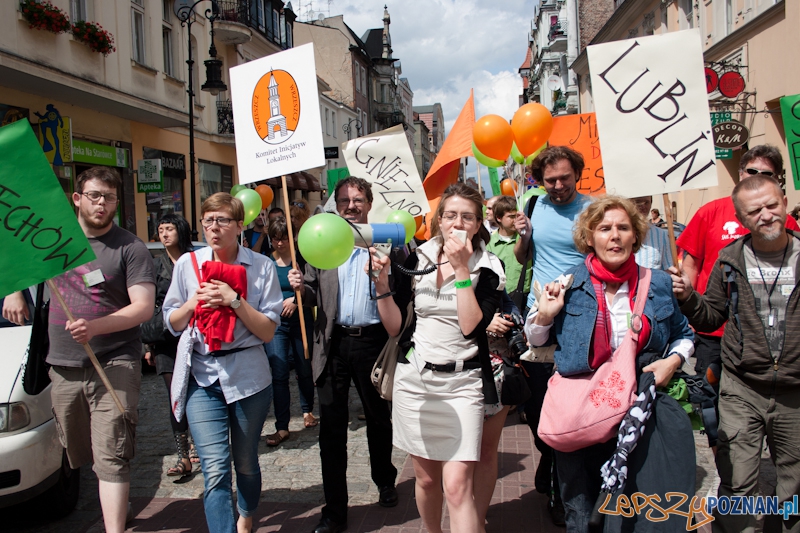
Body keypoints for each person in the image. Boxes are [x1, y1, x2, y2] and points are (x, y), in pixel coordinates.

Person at [2, 167, 156, 533]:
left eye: (109, 197)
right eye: (94, 195)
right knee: (76, 453)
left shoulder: (130, 247)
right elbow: (15, 254)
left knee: (111, 453)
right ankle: (114, 494)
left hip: (114, 361)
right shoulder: (50, 239)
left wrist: (96, 327)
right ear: (77, 198)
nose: (102, 204)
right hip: (63, 365)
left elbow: (143, 308)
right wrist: (13, 289)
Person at [527, 196, 694, 531]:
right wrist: (544, 315)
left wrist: (672, 361)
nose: (614, 236)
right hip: (581, 413)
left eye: (623, 227)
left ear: (636, 236)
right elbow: (537, 339)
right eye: (604, 228)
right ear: (589, 238)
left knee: (633, 508)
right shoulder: (568, 284)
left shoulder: (659, 283)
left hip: (638, 415)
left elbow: (684, 334)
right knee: (580, 511)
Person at [369, 183, 503, 533]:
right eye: (451, 215)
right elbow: (396, 327)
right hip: (416, 382)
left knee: (457, 486)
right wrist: (382, 286)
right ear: (439, 219)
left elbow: (472, 326)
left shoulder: (488, 266)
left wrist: (461, 271)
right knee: (427, 481)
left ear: (478, 224)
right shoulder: (419, 258)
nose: (458, 222)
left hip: (462, 385)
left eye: (468, 216)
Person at [670, 175, 800, 533]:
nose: (766, 215)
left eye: (772, 205)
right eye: (755, 211)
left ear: (785, 204)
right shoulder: (730, 260)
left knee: (794, 485)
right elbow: (712, 315)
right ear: (742, 219)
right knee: (738, 479)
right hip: (742, 388)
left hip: (795, 390)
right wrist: (687, 298)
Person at [163, 192, 284, 533]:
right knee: (215, 467)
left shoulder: (261, 267)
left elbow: (267, 331)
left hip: (248, 376)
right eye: (208, 220)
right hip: (202, 377)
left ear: (239, 225)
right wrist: (192, 303)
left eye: (222, 220)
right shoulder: (188, 265)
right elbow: (170, 321)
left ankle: (246, 515)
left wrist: (235, 301)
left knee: (245, 460)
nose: (214, 228)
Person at [287, 177, 398, 533]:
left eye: (359, 199)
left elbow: (403, 289)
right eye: (345, 200)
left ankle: (385, 479)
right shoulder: (322, 240)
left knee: (378, 419)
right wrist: (300, 289)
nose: (352, 205)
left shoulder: (386, 240)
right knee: (331, 431)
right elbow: (314, 295)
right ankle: (335, 511)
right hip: (332, 344)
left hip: (373, 342)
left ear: (369, 204)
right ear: (335, 205)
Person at [675, 145, 800, 396]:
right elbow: (691, 263)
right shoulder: (710, 211)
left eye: (767, 174)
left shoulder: (782, 219)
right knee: (714, 406)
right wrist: (688, 300)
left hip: (768, 338)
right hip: (715, 330)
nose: (758, 176)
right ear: (741, 173)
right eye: (752, 170)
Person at [512, 145, 593, 524]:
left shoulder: (593, 208)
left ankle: (563, 489)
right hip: (540, 313)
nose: (558, 185)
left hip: (581, 313)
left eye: (565, 178)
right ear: (539, 181)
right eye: (550, 180)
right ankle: (549, 458)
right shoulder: (534, 206)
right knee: (538, 404)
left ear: (577, 173)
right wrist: (523, 236)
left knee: (573, 402)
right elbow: (522, 257)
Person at [143, 214, 197, 477]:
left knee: (194, 391)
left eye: (169, 229)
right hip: (165, 338)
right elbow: (149, 305)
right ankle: (182, 454)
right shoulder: (155, 266)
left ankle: (199, 440)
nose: (164, 234)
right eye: (160, 230)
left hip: (194, 335)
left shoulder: (194, 259)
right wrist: (148, 345)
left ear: (181, 231)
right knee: (173, 395)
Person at [264, 217, 317, 447]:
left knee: (304, 367)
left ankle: (307, 410)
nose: (280, 243)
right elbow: (263, 294)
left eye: (284, 239)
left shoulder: (302, 260)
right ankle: (282, 425)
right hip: (277, 324)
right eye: (276, 239)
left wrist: (297, 300)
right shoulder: (267, 263)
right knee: (279, 372)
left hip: (302, 320)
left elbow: (313, 289)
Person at [476, 291, 519, 527]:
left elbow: (508, 302)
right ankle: (464, 510)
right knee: (459, 453)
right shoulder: (433, 265)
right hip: (452, 370)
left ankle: (477, 517)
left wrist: (511, 316)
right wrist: (481, 321)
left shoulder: (493, 264)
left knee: (486, 451)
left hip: (494, 366)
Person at [486, 195, 531, 310]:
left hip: (523, 300)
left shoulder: (525, 239)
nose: (516, 221)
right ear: (499, 218)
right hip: (499, 300)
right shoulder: (489, 243)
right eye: (511, 217)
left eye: (518, 216)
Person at [632, 196, 673, 271]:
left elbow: (668, 268)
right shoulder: (617, 234)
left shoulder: (661, 235)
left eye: (646, 202)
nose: (643, 206)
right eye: (638, 202)